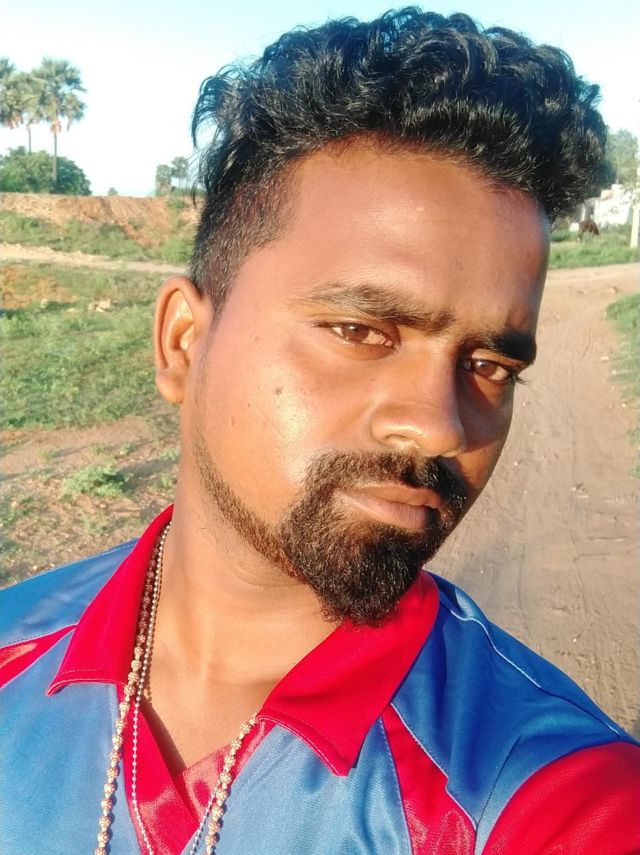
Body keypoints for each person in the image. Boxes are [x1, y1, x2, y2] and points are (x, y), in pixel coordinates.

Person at [1, 9, 638, 855]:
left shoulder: (535, 790)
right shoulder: (14, 654)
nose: (438, 425)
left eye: (489, 364)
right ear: (184, 343)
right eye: (361, 331)